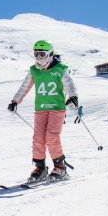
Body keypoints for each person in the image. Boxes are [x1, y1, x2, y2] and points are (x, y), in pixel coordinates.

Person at [8, 40, 78, 181]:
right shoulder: (34, 70)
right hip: (40, 110)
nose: (39, 57)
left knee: (52, 137)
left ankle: (60, 167)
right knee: (38, 139)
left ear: (50, 54)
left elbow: (69, 84)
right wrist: (15, 101)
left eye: (42, 54)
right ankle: (40, 168)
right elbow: (24, 87)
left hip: (56, 109)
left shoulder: (60, 69)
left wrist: (73, 97)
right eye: (36, 54)